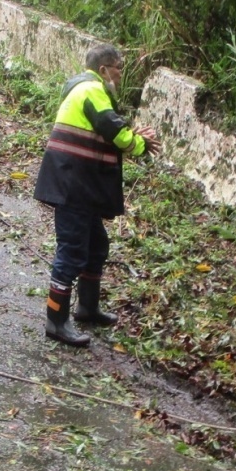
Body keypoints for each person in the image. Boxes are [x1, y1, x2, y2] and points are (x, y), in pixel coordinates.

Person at [33, 44, 161, 346]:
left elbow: (106, 130)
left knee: (96, 245)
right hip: (73, 184)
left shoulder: (81, 88)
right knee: (72, 251)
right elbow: (116, 134)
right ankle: (56, 321)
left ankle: (87, 308)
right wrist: (141, 144)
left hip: (80, 183)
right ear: (104, 69)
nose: (120, 72)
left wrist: (131, 135)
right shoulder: (92, 91)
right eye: (118, 66)